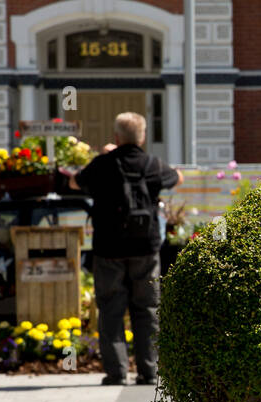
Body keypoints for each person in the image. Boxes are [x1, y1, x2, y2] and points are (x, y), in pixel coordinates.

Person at [68, 112, 181, 386]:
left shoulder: (103, 164)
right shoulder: (152, 163)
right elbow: (177, 177)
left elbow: (74, 182)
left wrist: (105, 155)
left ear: (117, 137)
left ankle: (117, 373)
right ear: (142, 137)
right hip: (146, 248)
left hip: (109, 250)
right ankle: (150, 371)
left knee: (110, 309)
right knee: (148, 308)